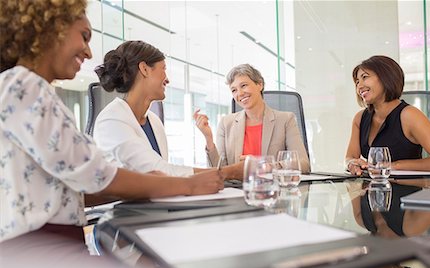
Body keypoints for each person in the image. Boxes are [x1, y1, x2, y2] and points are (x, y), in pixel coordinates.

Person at [0, 0, 223, 243]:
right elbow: (97, 176)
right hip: (39, 248)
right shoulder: (25, 87)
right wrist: (187, 185)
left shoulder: (27, 89)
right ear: (51, 28)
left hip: (48, 242)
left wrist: (155, 184)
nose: (88, 52)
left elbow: (75, 187)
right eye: (84, 37)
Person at [93, 40, 242, 179]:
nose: (167, 79)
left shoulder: (154, 121)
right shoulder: (112, 120)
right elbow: (160, 172)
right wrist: (232, 172)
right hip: (124, 206)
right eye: (163, 69)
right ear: (144, 69)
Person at [193, 64, 311, 173]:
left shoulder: (285, 119)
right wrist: (208, 138)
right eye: (234, 90)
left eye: (243, 85)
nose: (239, 93)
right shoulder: (226, 123)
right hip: (237, 191)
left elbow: (304, 164)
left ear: (260, 84)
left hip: (273, 191)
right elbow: (218, 171)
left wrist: (265, 165)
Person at [345, 55, 430, 175]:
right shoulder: (359, 118)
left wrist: (394, 166)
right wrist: (352, 163)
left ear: (386, 77)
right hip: (373, 190)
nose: (359, 86)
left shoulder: (409, 115)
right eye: (357, 82)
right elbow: (351, 157)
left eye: (365, 77)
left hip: (408, 191)